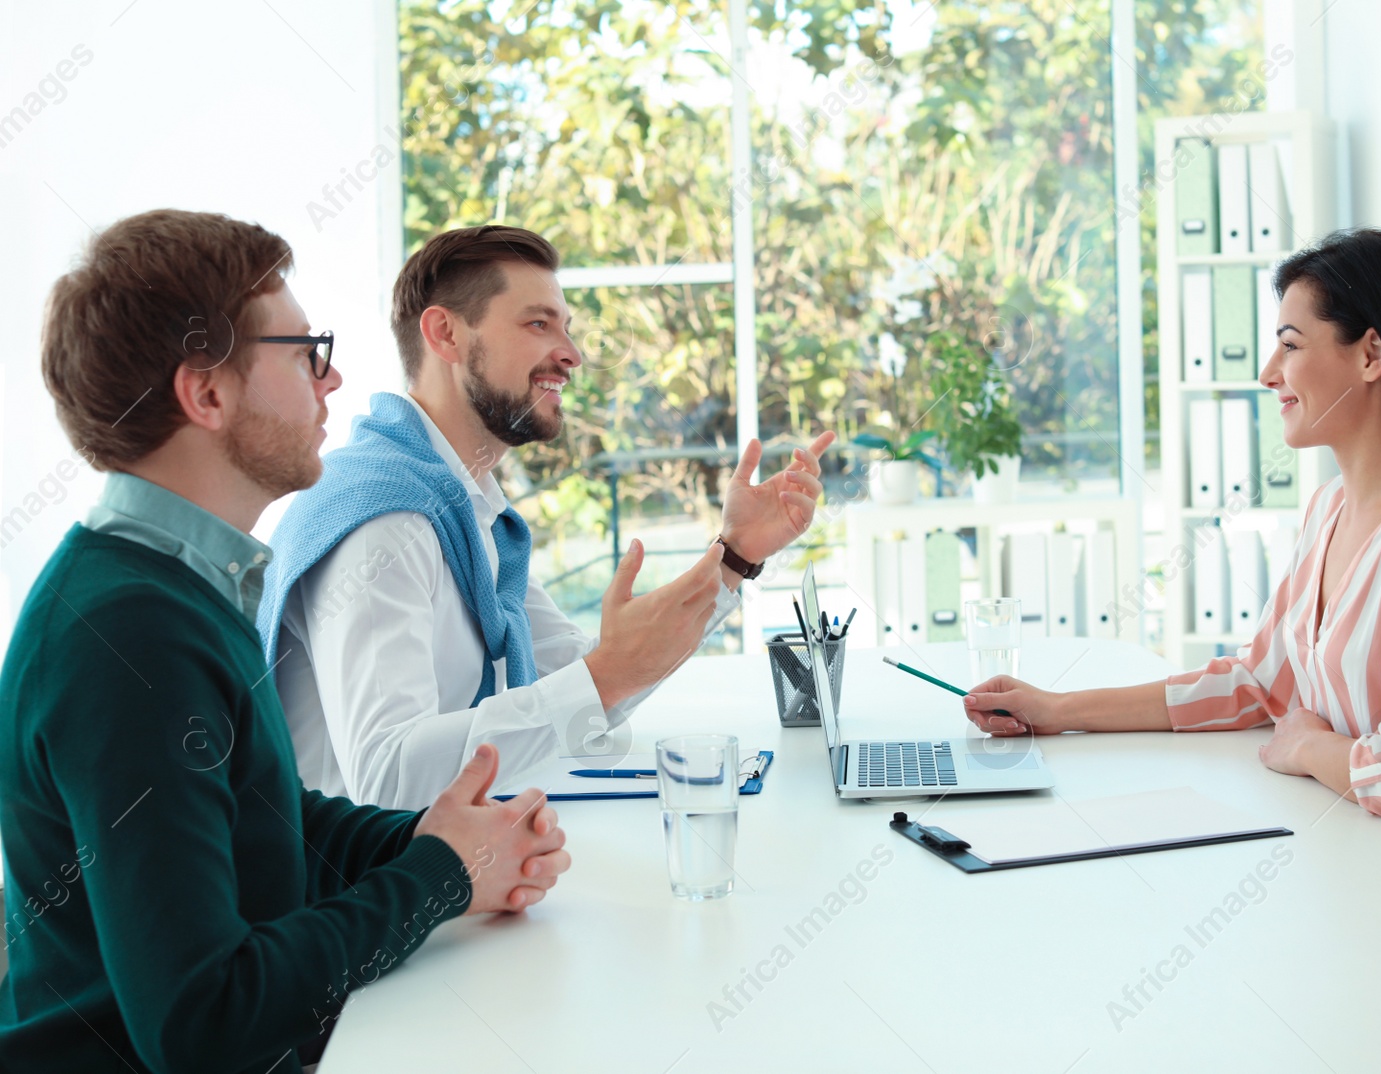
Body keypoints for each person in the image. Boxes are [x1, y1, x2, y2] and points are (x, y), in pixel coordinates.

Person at [0, 210, 571, 1073]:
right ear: (209, 394)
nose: (333, 378)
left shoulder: (177, 582)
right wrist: (439, 877)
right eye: (305, 353)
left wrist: (440, 838)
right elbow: (205, 1022)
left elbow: (267, 819)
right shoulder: (130, 636)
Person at [962, 227, 1381, 895]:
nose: (1268, 373)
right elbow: (1258, 683)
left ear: (1374, 353)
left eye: (1290, 345)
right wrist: (1060, 710)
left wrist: (1307, 747)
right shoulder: (1329, 510)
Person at [257, 225, 834, 809]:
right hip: (368, 887)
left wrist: (735, 556)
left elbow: (589, 674)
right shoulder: (386, 523)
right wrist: (607, 673)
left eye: (566, 328)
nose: (571, 355)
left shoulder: (465, 507)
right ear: (445, 334)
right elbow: (387, 781)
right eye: (538, 324)